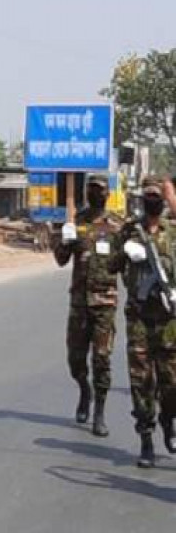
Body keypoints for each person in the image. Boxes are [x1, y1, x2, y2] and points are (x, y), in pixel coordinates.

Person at [109, 175, 176, 468]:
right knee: (141, 383)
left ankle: (168, 419)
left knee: (171, 383)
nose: (153, 201)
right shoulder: (129, 231)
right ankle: (146, 439)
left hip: (169, 319)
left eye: (157, 196)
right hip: (138, 317)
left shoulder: (172, 232)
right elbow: (111, 265)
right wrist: (125, 252)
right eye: (149, 196)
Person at [52, 174, 122, 436]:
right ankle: (84, 390)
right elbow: (60, 259)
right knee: (75, 360)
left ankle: (99, 413)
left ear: (107, 194)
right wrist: (64, 239)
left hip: (105, 303)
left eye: (100, 190)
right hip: (79, 303)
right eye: (92, 190)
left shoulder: (117, 226)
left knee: (102, 359)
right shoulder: (76, 222)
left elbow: (129, 263)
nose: (96, 194)